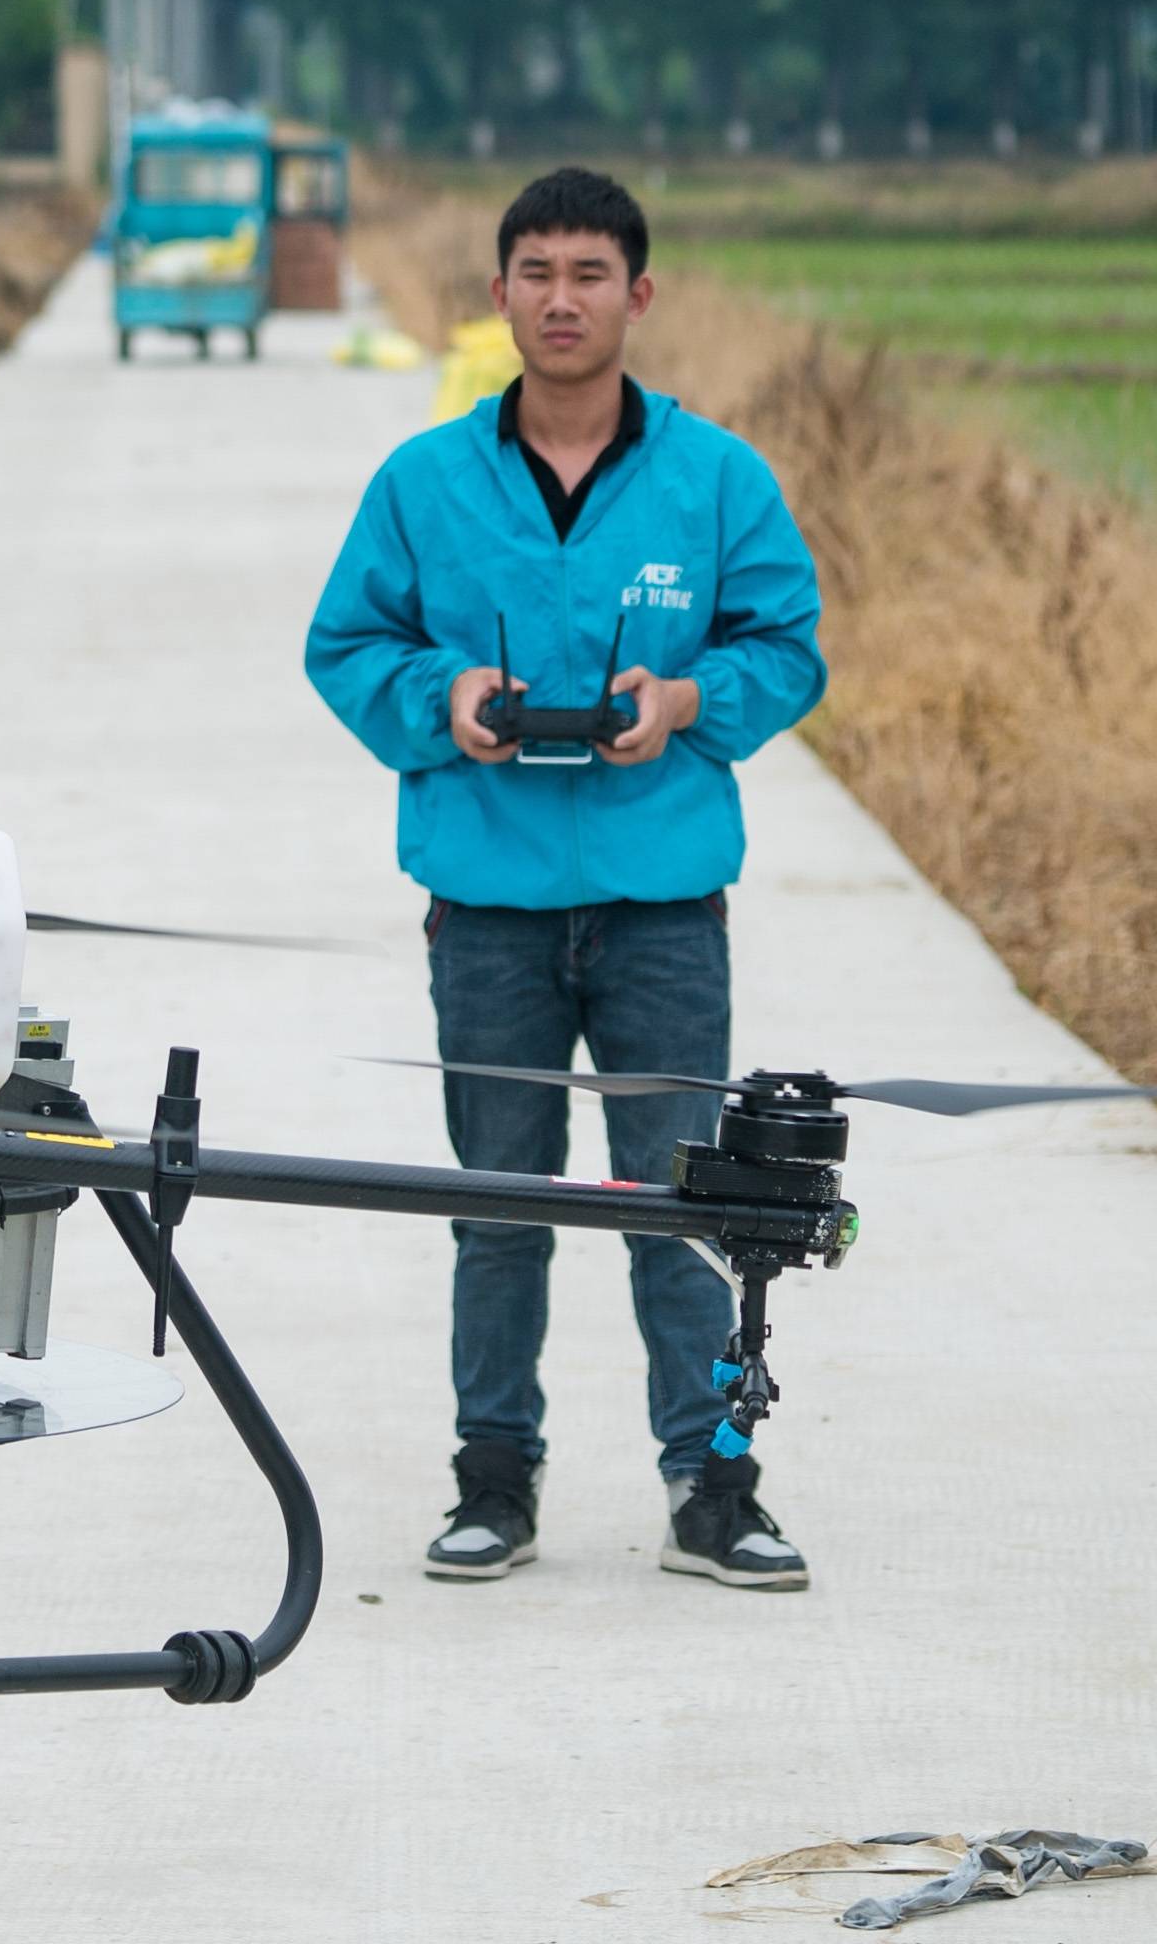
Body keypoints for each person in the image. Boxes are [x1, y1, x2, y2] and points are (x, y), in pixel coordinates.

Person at [302, 167, 829, 1590]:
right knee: (499, 1203)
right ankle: (494, 1481)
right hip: (488, 907)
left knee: (684, 1207)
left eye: (590, 273)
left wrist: (687, 701)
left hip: (662, 907)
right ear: (500, 297)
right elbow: (344, 647)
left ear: (638, 296)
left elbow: (789, 649)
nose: (561, 299)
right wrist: (444, 696)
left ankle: (714, 1488)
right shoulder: (424, 482)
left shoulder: (718, 479)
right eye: (534, 272)